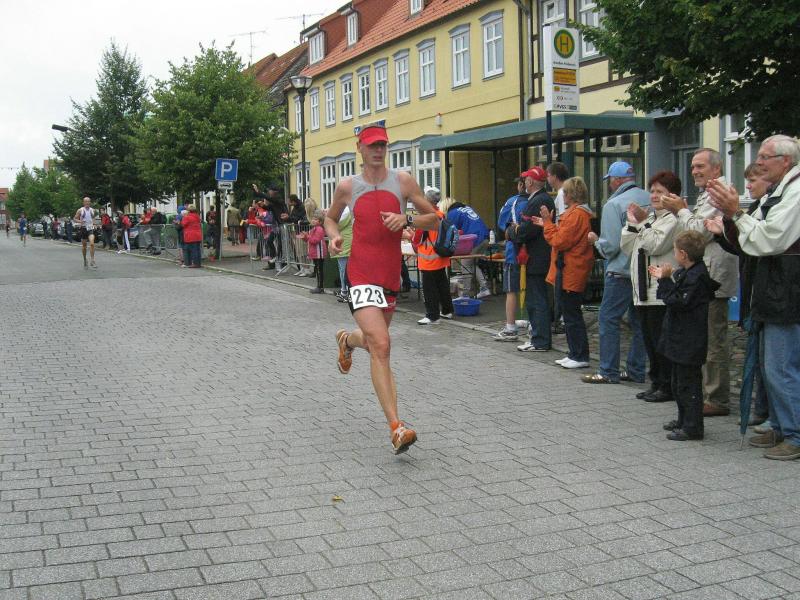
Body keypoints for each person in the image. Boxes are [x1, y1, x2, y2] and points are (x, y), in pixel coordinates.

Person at [325, 121, 438, 455]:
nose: (378, 150)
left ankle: (347, 340)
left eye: (382, 145)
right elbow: (330, 217)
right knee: (383, 345)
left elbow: (434, 218)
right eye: (372, 145)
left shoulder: (403, 182)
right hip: (360, 274)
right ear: (360, 148)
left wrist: (407, 219)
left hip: (389, 277)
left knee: (375, 343)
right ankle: (396, 427)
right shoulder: (348, 186)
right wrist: (334, 236)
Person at [707, 134, 800, 459]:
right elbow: (750, 241)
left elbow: (769, 240)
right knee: (771, 368)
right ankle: (781, 426)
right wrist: (731, 217)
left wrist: (736, 214)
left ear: (784, 161)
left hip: (786, 294)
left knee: (781, 368)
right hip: (773, 292)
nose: (758, 162)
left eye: (764, 157)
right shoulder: (780, 191)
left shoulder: (795, 192)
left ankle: (794, 435)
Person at [661, 148, 739, 417]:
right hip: (705, 275)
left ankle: (716, 397)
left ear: (716, 168)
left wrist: (681, 210)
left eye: (700, 166)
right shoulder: (709, 193)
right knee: (703, 336)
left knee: (713, 339)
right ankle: (706, 393)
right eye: (693, 166)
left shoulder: (719, 194)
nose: (694, 171)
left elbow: (698, 234)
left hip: (714, 277)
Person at [705, 163, 770, 427]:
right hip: (755, 291)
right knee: (760, 359)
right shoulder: (755, 207)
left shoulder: (770, 209)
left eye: (753, 180)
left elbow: (761, 244)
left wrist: (730, 222)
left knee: (771, 362)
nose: (749, 186)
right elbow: (743, 247)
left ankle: (772, 416)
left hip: (767, 293)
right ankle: (764, 411)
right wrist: (723, 234)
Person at [613, 171, 681, 399]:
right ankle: (656, 381)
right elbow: (628, 246)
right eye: (652, 191)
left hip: (660, 291)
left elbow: (654, 244)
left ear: (672, 195)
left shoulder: (672, 219)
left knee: (661, 341)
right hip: (642, 290)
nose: (654, 195)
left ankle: (667, 385)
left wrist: (642, 223)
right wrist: (633, 224)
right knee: (650, 340)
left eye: (660, 191)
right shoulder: (652, 218)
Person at [584, 161, 649, 384]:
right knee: (639, 323)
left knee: (608, 319)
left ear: (617, 180)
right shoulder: (649, 198)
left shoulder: (614, 205)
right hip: (644, 271)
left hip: (620, 271)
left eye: (610, 180)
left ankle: (608, 370)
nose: (610, 184)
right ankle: (636, 370)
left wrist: (595, 241)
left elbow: (611, 246)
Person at [652, 230, 720, 441]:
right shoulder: (687, 273)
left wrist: (665, 280)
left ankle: (692, 426)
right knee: (678, 382)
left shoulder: (696, 277)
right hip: (680, 337)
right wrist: (666, 279)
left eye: (675, 251)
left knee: (688, 384)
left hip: (689, 339)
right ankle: (683, 419)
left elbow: (679, 301)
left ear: (683, 254)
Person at [535, 176, 595, 368]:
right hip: (570, 268)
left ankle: (579, 355)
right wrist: (548, 224)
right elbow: (563, 236)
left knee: (571, 314)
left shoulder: (575, 215)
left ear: (570, 195)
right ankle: (574, 353)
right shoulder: (578, 214)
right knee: (570, 314)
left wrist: (547, 223)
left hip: (570, 270)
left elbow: (560, 241)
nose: (563, 196)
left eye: (565, 193)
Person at [506, 167, 555, 351]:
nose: (524, 182)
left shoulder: (538, 200)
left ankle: (540, 340)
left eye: (526, 179)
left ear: (530, 182)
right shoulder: (542, 198)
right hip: (539, 256)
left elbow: (527, 230)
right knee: (537, 299)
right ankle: (538, 338)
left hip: (536, 257)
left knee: (536, 300)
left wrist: (512, 231)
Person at [493, 177, 528, 340]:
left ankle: (510, 327)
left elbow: (504, 226)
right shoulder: (539, 201)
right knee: (533, 290)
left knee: (511, 290)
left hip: (514, 253)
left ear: (521, 185)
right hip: (534, 253)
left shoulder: (513, 202)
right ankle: (532, 324)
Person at [440, 196, 492, 298]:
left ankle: (465, 294)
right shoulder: (465, 208)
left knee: (465, 263)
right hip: (485, 237)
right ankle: (484, 288)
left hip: (475, 239)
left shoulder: (452, 213)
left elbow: (451, 233)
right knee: (472, 264)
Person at [413, 207, 454, 325]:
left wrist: (409, 235)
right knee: (442, 285)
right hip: (441, 256)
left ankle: (432, 316)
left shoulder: (426, 218)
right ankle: (447, 311)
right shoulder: (441, 215)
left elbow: (417, 239)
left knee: (429, 289)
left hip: (428, 258)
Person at [298, 210, 328, 294]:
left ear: (320, 221)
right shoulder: (313, 229)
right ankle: (319, 286)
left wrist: (307, 237)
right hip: (315, 253)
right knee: (318, 270)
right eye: (313, 219)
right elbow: (309, 240)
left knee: (319, 270)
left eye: (316, 219)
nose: (313, 220)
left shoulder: (319, 229)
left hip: (319, 253)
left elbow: (315, 240)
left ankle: (320, 287)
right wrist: (304, 237)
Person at [332, 206, 354, 302]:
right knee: (343, 270)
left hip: (344, 244)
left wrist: (328, 217)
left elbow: (336, 225)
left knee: (345, 271)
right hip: (343, 243)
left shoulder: (347, 210)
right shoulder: (346, 209)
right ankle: (344, 291)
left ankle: (346, 293)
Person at [74, 197, 97, 269]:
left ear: (90, 202)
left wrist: (94, 224)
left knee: (92, 243)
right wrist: (80, 221)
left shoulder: (92, 210)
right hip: (83, 229)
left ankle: (92, 260)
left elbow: (93, 218)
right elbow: (74, 219)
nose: (87, 203)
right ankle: (85, 259)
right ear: (83, 202)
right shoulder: (80, 210)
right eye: (86, 201)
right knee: (84, 246)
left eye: (88, 201)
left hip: (90, 228)